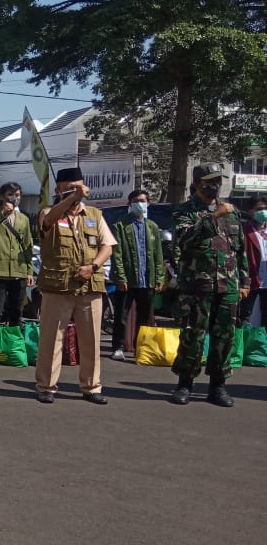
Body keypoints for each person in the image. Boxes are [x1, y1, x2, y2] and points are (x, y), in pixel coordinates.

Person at [33, 167, 116, 405]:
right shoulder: (49, 212)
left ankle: (91, 386)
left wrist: (94, 266)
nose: (78, 191)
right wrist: (72, 197)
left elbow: (107, 246)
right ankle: (46, 386)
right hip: (58, 285)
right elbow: (47, 222)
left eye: (80, 186)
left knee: (90, 339)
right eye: (71, 187)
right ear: (59, 189)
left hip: (90, 285)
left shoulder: (94, 214)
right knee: (52, 338)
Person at [170, 163, 250, 406]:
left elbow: (240, 251)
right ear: (196, 184)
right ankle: (185, 383)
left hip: (228, 286)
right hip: (196, 286)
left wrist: (244, 281)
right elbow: (184, 240)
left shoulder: (232, 211)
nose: (215, 185)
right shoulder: (184, 211)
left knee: (225, 337)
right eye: (210, 181)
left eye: (218, 180)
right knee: (193, 335)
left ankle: (218, 386)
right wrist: (213, 217)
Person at [109, 188, 166, 360]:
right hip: (127, 279)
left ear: (148, 203)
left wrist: (160, 277)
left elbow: (158, 255)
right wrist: (120, 277)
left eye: (142, 201)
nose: (139, 204)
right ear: (129, 203)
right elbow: (117, 253)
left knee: (144, 316)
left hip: (147, 280)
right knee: (122, 316)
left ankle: (140, 347)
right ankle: (117, 346)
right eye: (136, 201)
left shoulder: (152, 227)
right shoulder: (120, 225)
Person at [0, 182, 34, 355]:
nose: (15, 198)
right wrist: (3, 213)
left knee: (16, 310)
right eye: (11, 194)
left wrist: (29, 270)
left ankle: (13, 345)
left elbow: (28, 245)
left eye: (17, 194)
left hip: (18, 271)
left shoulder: (24, 219)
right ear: (2, 196)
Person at [240, 195, 267, 327]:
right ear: (251, 211)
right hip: (251, 282)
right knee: (245, 317)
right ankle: (243, 345)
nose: (264, 212)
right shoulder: (244, 231)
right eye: (260, 209)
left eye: (266, 208)